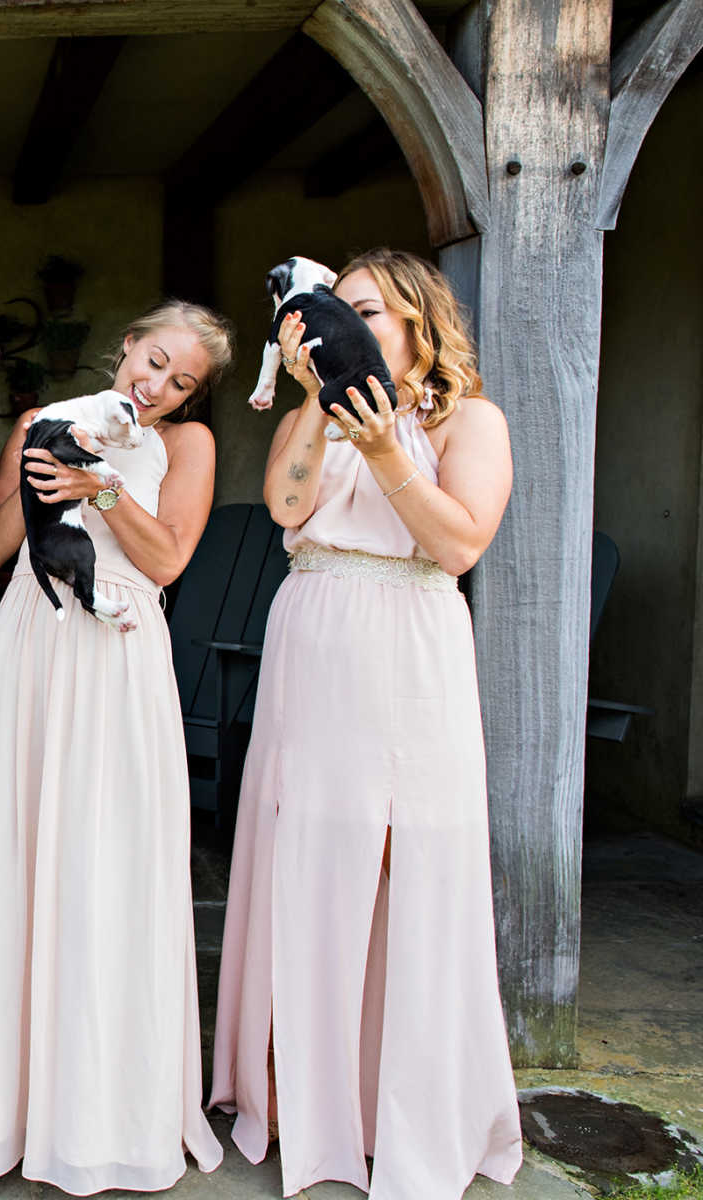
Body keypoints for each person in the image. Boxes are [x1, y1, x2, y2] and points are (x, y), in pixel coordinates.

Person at [209, 248, 522, 1198]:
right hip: (312, 638)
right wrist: (313, 399)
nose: (341, 324)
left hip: (408, 644)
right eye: (331, 310)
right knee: (306, 859)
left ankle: (405, 1102)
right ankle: (300, 1096)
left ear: (420, 328)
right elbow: (286, 507)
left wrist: (388, 448)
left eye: (368, 312)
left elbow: (460, 541)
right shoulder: (321, 414)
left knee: (403, 861)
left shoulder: (469, 419)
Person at [0, 299, 234, 1194]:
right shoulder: (54, 417)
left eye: (180, 380)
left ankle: (107, 1108)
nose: (155, 385)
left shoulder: (186, 448)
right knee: (26, 858)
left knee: (108, 862)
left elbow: (165, 563)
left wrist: (104, 489)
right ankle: (16, 1107)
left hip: (118, 653)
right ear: (126, 345)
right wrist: (38, 455)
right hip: (33, 642)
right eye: (152, 360)